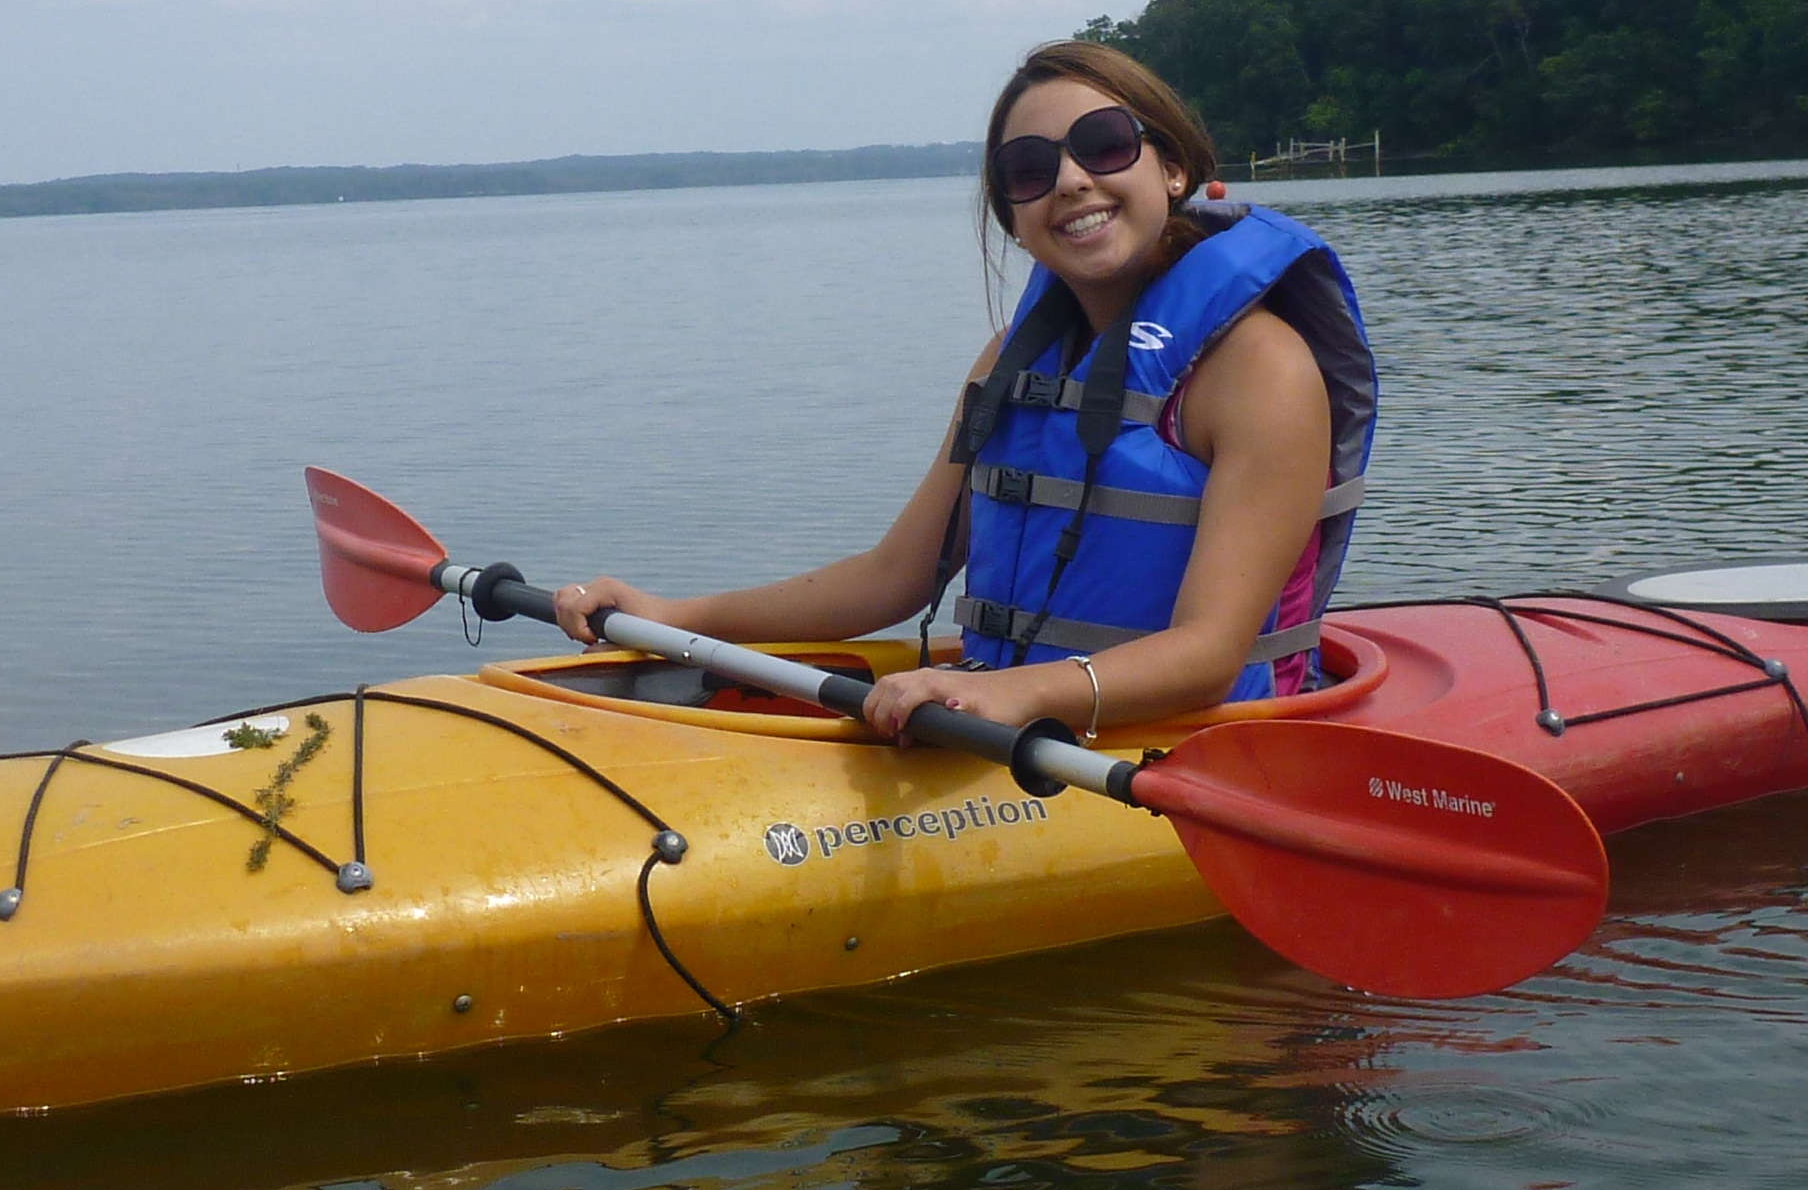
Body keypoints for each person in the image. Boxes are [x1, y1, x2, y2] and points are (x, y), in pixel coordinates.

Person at [553, 41, 1376, 744]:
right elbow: (896, 575)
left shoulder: (1260, 368)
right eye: (1029, 169)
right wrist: (676, 614)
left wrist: (1009, 695)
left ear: (1173, 166)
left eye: (1103, 144)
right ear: (1010, 210)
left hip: (1182, 742)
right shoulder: (1011, 364)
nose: (1071, 180)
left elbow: (1208, 654)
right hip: (1010, 716)